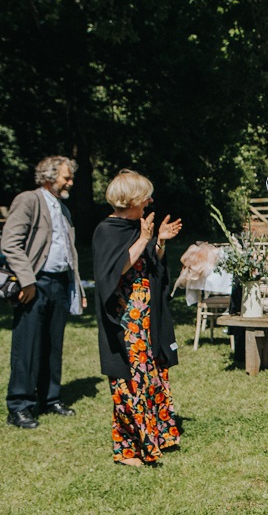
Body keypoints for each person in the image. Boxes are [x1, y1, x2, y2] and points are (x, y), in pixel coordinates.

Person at [91, 170, 182, 465]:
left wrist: (159, 242)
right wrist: (144, 238)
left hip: (147, 319)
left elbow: (149, 265)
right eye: (146, 196)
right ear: (132, 199)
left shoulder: (135, 227)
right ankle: (129, 448)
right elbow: (115, 270)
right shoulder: (107, 230)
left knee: (153, 375)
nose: (150, 201)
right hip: (126, 323)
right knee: (131, 380)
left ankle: (158, 435)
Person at [2, 156, 84, 430]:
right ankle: (19, 406)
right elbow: (10, 243)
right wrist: (27, 281)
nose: (70, 182)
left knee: (53, 343)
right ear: (49, 177)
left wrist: (77, 288)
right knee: (27, 346)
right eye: (66, 177)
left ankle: (50, 399)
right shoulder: (29, 200)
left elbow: (69, 252)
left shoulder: (62, 207)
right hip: (34, 283)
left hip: (60, 283)